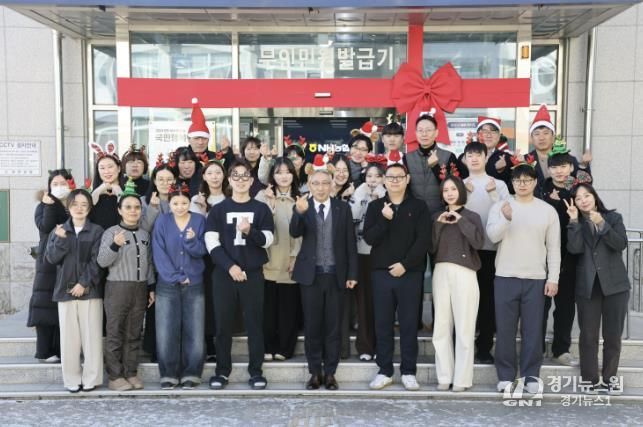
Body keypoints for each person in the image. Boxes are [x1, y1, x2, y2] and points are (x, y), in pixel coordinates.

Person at [486, 162, 560, 394]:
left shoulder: (547, 210)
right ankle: (505, 376)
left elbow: (554, 248)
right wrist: (506, 219)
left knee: (533, 330)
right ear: (512, 183)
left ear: (535, 182)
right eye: (518, 180)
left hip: (536, 278)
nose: (522, 184)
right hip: (505, 276)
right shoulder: (501, 206)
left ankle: (531, 376)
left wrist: (553, 278)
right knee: (505, 330)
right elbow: (492, 236)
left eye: (527, 180)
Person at [290, 154, 358, 390]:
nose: (320, 188)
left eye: (325, 183)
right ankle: (314, 372)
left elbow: (350, 243)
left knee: (333, 327)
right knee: (312, 326)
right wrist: (298, 213)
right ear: (309, 185)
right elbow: (294, 232)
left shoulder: (342, 208)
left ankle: (330, 372)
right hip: (311, 276)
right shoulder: (303, 206)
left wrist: (352, 274)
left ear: (331, 185)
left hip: (336, 275)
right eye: (316, 183)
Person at [205, 159, 275, 390]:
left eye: (245, 176)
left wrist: (250, 231)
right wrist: (230, 267)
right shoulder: (218, 209)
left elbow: (268, 240)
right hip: (224, 274)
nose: (241, 180)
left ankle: (256, 371)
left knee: (255, 323)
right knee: (223, 325)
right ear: (229, 180)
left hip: (252, 273)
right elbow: (211, 243)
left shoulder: (261, 209)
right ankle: (221, 371)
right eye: (236, 175)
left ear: (252, 180)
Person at [363, 159, 430, 391]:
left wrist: (405, 264)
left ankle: (409, 371)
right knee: (383, 324)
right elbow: (369, 238)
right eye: (390, 177)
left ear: (407, 179)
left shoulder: (419, 207)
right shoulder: (376, 207)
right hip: (381, 274)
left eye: (399, 177)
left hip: (410, 273)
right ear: (384, 180)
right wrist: (384, 219)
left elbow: (423, 240)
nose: (394, 181)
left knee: (409, 324)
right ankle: (385, 370)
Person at [566, 184, 630, 395]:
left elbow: (620, 244)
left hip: (615, 285)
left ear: (594, 197)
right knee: (588, 336)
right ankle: (589, 380)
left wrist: (602, 223)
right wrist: (573, 221)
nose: (583, 200)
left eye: (587, 195)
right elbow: (574, 249)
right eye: (578, 198)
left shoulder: (613, 218)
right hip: (588, 285)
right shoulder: (576, 222)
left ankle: (610, 379)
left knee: (613, 336)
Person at [97, 180, 155, 391]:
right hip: (117, 288)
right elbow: (102, 261)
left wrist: (151, 287)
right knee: (115, 333)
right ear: (119, 210)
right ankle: (115, 376)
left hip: (140, 288)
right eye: (128, 207)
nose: (133, 211)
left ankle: (131, 372)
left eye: (137, 207)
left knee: (134, 333)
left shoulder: (145, 234)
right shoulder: (111, 233)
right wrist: (115, 245)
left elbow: (149, 263)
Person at [45, 189, 104, 393]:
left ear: (89, 207)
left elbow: (98, 261)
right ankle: (71, 379)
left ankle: (91, 378)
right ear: (68, 207)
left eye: (84, 204)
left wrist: (84, 283)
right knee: (69, 339)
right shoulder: (59, 230)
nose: (79, 208)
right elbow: (51, 259)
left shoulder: (96, 231)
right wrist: (60, 240)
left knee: (91, 337)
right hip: (65, 291)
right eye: (75, 204)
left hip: (90, 291)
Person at [541, 139, 592, 367]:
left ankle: (561, 349)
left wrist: (584, 166)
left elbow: (587, 206)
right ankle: (536, 348)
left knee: (565, 306)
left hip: (570, 255)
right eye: (555, 167)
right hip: (543, 255)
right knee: (540, 306)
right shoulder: (541, 188)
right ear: (549, 169)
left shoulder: (577, 190)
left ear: (571, 167)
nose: (559, 171)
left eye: (564, 166)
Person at [152, 182, 207, 390]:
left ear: (189, 202)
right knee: (166, 329)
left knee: (195, 328)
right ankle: (168, 373)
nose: (180, 207)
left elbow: (203, 250)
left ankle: (192, 372)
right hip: (167, 284)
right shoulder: (162, 221)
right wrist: (175, 276)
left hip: (194, 282)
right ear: (170, 203)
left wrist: (192, 241)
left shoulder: (199, 221)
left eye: (184, 203)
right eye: (175, 203)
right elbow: (158, 252)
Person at [432, 175, 485, 392]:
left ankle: (462, 379)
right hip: (441, 270)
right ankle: (444, 376)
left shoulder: (472, 216)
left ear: (461, 191)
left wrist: (460, 220)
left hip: (465, 272)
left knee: (465, 328)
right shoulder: (437, 216)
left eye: (453, 189)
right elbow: (431, 247)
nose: (450, 193)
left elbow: (478, 242)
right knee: (441, 327)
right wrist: (439, 224)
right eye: (446, 190)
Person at [462, 142, 510, 364]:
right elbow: (454, 211)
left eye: (478, 154)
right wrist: (465, 194)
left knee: (488, 300)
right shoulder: (460, 184)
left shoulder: (499, 184)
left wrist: (493, 195)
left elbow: (507, 212)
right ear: (464, 159)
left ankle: (484, 348)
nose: (474, 158)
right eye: (469, 155)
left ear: (486, 157)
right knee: (466, 301)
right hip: (466, 250)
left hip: (491, 249)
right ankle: (464, 347)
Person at [255, 157, 302, 361]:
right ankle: (267, 346)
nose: (284, 176)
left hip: (291, 260)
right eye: (279, 172)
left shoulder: (301, 197)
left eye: (287, 172)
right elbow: (257, 228)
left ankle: (285, 348)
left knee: (288, 308)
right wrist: (270, 206)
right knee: (267, 309)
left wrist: (295, 256)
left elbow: (302, 232)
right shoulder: (262, 196)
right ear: (272, 176)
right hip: (267, 260)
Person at [27, 169, 73, 364]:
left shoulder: (74, 204)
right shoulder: (43, 206)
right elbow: (45, 227)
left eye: (63, 183)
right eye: (55, 184)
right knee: (44, 304)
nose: (59, 187)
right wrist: (49, 204)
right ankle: (44, 351)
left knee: (63, 307)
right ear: (49, 186)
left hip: (69, 260)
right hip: (48, 261)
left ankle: (61, 350)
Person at [189, 158, 228, 361]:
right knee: (207, 300)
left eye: (218, 172)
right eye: (210, 173)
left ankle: (223, 342)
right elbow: (195, 230)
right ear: (203, 176)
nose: (214, 177)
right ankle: (209, 344)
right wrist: (205, 211)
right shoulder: (197, 200)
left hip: (227, 254)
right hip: (204, 256)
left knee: (223, 300)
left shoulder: (230, 197)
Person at [140, 155, 177, 361]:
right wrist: (153, 209)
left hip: (175, 261)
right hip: (152, 262)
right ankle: (154, 348)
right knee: (154, 307)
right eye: (161, 179)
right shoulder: (143, 202)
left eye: (169, 179)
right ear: (154, 180)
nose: (165, 183)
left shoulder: (179, 200)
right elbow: (143, 229)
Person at [349, 160, 386, 361]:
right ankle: (365, 346)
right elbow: (352, 217)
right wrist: (360, 194)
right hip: (361, 254)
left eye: (377, 176)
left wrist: (380, 196)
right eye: (369, 176)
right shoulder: (358, 193)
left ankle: (382, 345)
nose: (373, 180)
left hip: (382, 254)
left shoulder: (388, 195)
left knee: (381, 303)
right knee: (363, 303)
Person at [529, 104, 591, 197]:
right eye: (537, 134)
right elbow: (512, 188)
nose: (541, 138)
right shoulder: (525, 160)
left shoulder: (568, 159)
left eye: (546, 133)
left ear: (553, 136)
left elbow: (586, 184)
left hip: (565, 204)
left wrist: (584, 164)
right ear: (531, 138)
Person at [89, 141, 123, 230]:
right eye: (102, 168)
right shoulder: (94, 193)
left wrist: (119, 193)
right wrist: (98, 190)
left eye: (110, 167)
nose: (106, 171)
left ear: (119, 168)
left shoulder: (128, 190)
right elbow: (87, 210)